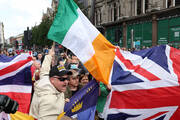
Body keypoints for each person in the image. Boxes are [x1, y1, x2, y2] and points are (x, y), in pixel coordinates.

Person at [29, 45, 72, 120]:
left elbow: (45, 70)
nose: (66, 82)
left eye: (67, 78)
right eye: (62, 79)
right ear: (52, 79)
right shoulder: (49, 101)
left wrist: (49, 55)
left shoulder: (45, 80)